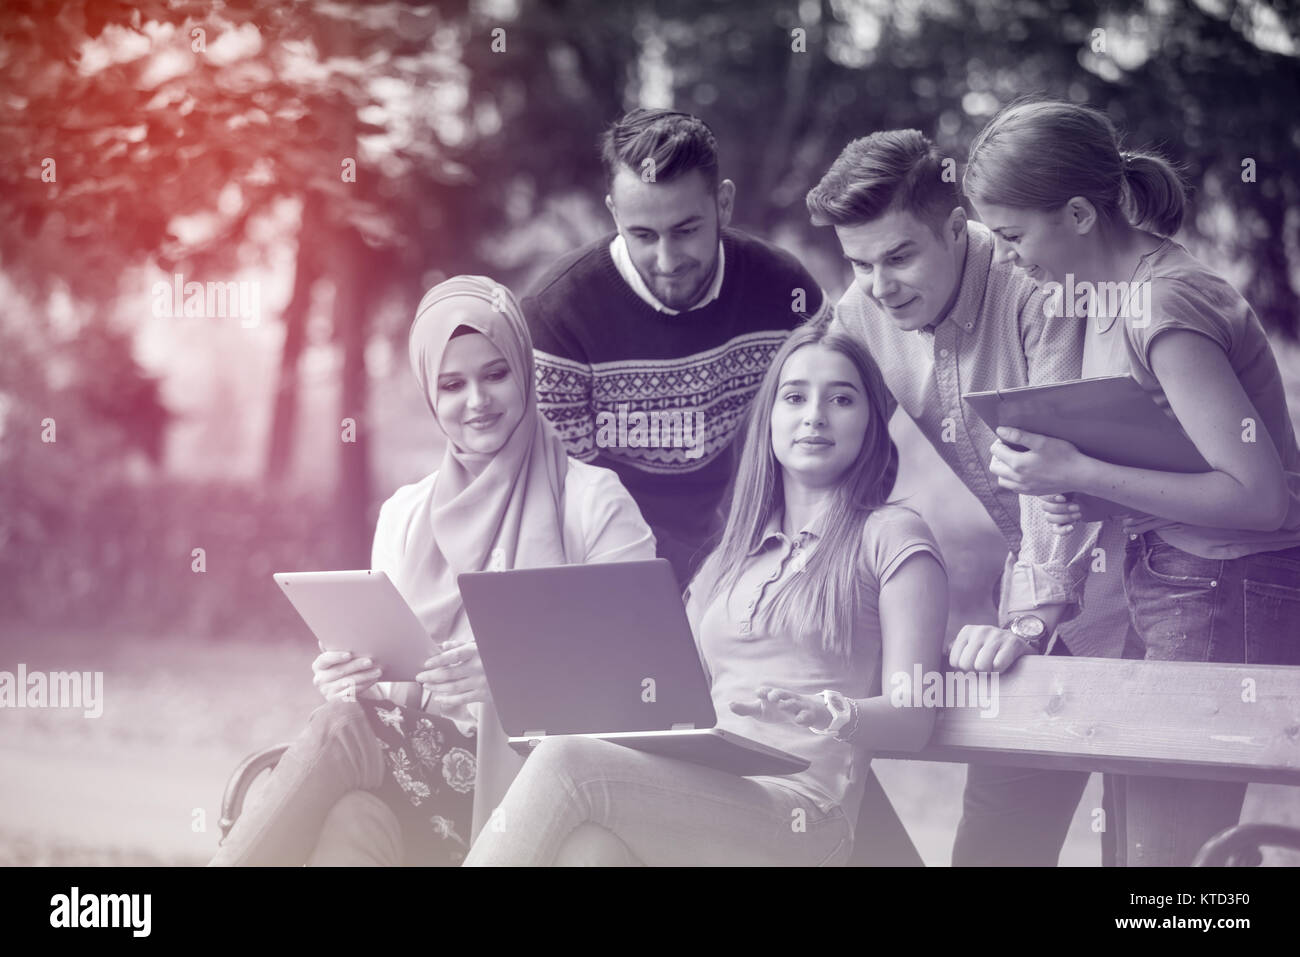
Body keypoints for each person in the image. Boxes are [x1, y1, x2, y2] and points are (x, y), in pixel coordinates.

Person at [463, 321, 947, 866]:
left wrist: (826, 712)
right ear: (770, 419)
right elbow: (667, 699)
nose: (815, 415)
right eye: (795, 397)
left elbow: (913, 719)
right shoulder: (728, 559)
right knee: (589, 851)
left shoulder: (891, 535)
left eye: (841, 399)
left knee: (567, 763)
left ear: (870, 426)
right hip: (707, 791)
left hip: (808, 816)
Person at [209, 276, 655, 866]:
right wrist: (353, 677)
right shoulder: (404, 515)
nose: (477, 400)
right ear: (429, 392)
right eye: (452, 384)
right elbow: (395, 683)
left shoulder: (594, 502)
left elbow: (646, 680)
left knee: (342, 731)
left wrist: (513, 677)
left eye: (496, 374)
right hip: (424, 784)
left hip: (540, 782)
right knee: (350, 797)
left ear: (525, 370)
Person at [963, 98, 1300, 866]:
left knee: (1167, 861)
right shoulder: (1105, 300)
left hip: (1223, 584)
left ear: (1079, 212)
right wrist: (1071, 482)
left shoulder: (1165, 304)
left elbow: (1258, 496)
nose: (1010, 258)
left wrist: (1079, 470)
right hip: (1177, 580)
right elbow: (1171, 460)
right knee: (1143, 854)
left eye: (1013, 236)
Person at [805, 129, 1137, 866]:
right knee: (994, 851)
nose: (880, 284)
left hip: (1139, 590)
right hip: (1028, 596)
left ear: (957, 227)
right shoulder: (866, 304)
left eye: (898, 256)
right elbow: (819, 433)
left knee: (1152, 869)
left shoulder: (1035, 286)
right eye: (858, 263)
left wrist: (1027, 617)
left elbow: (1055, 471)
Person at [526, 108, 829, 585]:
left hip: (755, 548)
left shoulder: (785, 292)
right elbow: (564, 497)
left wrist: (790, 550)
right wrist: (697, 576)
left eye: (686, 230)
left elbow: (841, 427)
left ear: (723, 204)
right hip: (609, 560)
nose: (667, 261)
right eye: (643, 235)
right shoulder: (556, 317)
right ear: (614, 214)